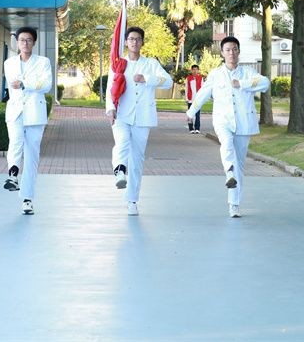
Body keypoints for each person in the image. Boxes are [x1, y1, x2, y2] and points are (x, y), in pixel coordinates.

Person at [186, 36, 270, 218]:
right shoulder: (215, 74)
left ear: (238, 51)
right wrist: (191, 111)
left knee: (239, 164)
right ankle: (229, 172)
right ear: (222, 53)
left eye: (234, 49)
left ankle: (234, 204)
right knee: (226, 144)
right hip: (222, 119)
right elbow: (203, 93)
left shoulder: (248, 72)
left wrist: (243, 84)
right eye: (228, 50)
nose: (231, 53)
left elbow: (265, 83)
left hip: (243, 122)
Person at [106, 26, 172, 215]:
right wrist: (110, 108)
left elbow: (168, 81)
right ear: (126, 42)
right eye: (131, 39)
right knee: (122, 143)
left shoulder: (151, 63)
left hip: (142, 117)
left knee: (136, 158)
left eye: (138, 39)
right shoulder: (119, 64)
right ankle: (119, 170)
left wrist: (147, 79)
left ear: (142, 42)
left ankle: (132, 200)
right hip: (121, 113)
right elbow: (111, 88)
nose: (134, 42)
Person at [2, 27, 52, 215]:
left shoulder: (43, 62)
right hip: (15, 111)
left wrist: (25, 84)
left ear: (34, 42)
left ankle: (27, 199)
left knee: (32, 155)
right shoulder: (9, 63)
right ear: (17, 42)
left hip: (35, 113)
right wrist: (30, 84)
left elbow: (45, 85)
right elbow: (13, 84)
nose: (25, 43)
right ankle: (13, 175)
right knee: (15, 141)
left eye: (29, 40)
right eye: (22, 40)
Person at [185, 64, 203, 134]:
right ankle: (191, 128)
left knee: (197, 115)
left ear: (198, 70)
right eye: (193, 69)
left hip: (198, 99)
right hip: (190, 99)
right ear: (191, 70)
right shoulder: (188, 78)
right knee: (190, 115)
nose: (195, 71)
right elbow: (186, 88)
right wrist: (187, 98)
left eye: (196, 69)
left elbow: (203, 89)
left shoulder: (200, 78)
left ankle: (197, 128)